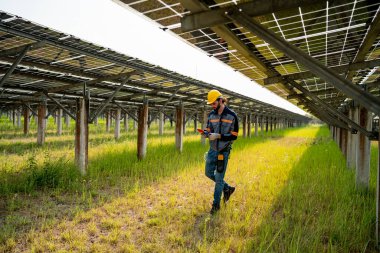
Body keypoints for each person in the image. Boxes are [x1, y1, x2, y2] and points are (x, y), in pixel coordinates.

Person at [203, 89, 239, 215]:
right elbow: (209, 129)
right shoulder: (211, 115)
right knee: (208, 173)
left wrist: (218, 136)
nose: (212, 106)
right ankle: (227, 188)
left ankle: (216, 205)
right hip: (212, 150)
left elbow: (234, 135)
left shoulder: (232, 116)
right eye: (211, 104)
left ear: (220, 100)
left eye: (214, 103)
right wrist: (206, 133)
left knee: (218, 178)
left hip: (223, 152)